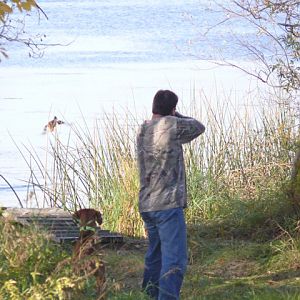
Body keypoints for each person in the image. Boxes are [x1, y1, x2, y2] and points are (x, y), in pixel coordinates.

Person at [136, 90, 205, 299]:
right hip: (167, 204)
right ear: (172, 109)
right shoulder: (173, 126)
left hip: (147, 203)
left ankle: (149, 295)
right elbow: (199, 127)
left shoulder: (143, 129)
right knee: (174, 260)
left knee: (155, 256)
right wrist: (177, 115)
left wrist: (170, 113)